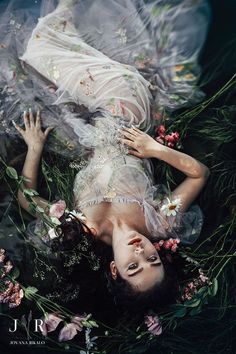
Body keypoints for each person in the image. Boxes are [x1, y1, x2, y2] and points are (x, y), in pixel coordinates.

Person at [11, 0, 210, 312]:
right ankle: (65, 11)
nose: (140, 253)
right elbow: (199, 173)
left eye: (134, 267)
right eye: (153, 259)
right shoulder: (159, 220)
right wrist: (154, 149)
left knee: (22, 76)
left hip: (83, 134)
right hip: (126, 112)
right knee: (37, 49)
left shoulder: (78, 228)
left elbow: (27, 201)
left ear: (115, 269)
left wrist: (34, 149)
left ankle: (66, 27)